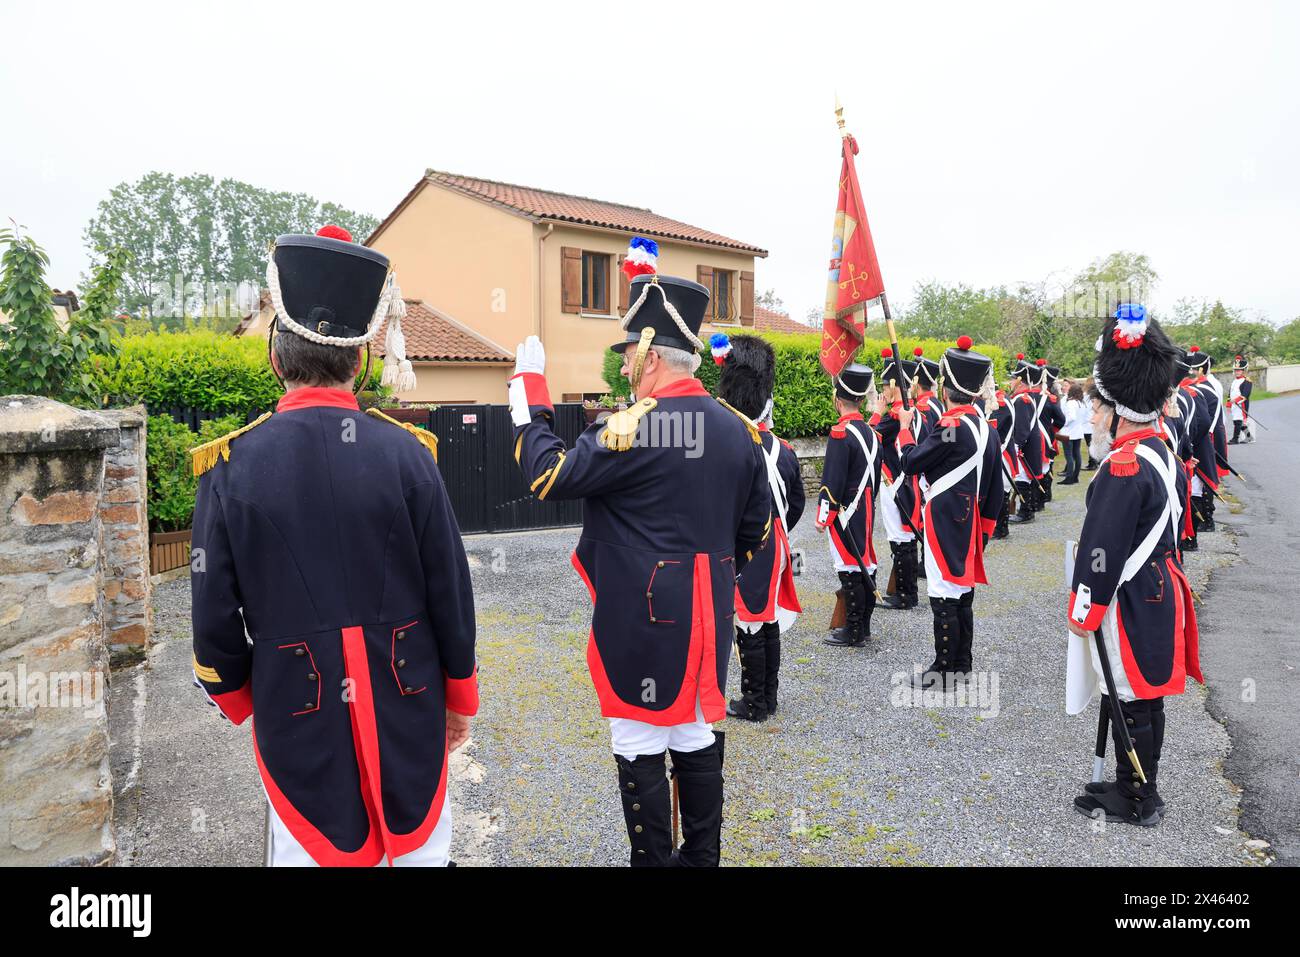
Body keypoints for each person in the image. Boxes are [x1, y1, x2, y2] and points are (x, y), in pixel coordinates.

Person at [189, 226, 478, 867]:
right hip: (410, 704)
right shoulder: (411, 457)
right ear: (359, 359)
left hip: (296, 711)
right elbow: (451, 596)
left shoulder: (228, 468)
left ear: (275, 356)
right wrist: (458, 696)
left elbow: (212, 620)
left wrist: (242, 698)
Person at [509, 239, 770, 867]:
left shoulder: (637, 426)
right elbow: (755, 529)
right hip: (709, 614)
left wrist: (530, 408)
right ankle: (701, 857)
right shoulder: (738, 429)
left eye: (630, 350)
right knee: (695, 731)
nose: (625, 361)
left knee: (637, 734)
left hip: (646, 617)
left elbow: (548, 477)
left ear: (651, 354)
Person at [1068, 305, 1201, 826]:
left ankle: (1137, 797)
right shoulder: (1159, 448)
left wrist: (1083, 606)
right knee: (1142, 692)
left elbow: (1101, 553)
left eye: (1100, 409)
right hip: (1157, 585)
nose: (1095, 418)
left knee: (1128, 691)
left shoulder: (1123, 465)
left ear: (1121, 409)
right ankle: (1138, 784)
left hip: (1129, 595)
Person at [897, 335, 1006, 689]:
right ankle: (962, 662)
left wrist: (903, 429)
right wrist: (985, 528)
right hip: (970, 519)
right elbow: (993, 488)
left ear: (947, 387)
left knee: (944, 589)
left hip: (945, 519)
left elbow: (912, 462)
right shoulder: (985, 428)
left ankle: (945, 668)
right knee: (962, 590)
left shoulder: (951, 426)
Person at [715, 334, 805, 718]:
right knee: (765, 619)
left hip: (751, 548)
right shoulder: (782, 449)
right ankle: (768, 696)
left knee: (751, 621)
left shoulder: (729, 447)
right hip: (778, 542)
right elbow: (797, 503)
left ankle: (754, 702)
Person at [817, 363, 882, 647]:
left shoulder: (840, 433)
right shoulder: (872, 433)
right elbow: (875, 478)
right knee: (865, 561)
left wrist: (823, 516)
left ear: (837, 398)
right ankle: (863, 626)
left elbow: (832, 481)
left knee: (849, 564)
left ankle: (853, 630)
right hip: (865, 506)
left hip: (845, 510)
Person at [873, 350, 923, 610]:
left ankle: (905, 595)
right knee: (905, 538)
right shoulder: (913, 411)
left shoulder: (894, 417)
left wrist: (875, 412)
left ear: (893, 387)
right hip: (907, 482)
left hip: (896, 482)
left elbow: (867, 440)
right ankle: (907, 591)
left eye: (884, 386)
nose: (882, 391)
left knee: (901, 539)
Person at [1178, 346, 1224, 533]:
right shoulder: (1199, 387)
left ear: (1201, 370)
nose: (1192, 373)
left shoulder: (1201, 389)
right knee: (1200, 479)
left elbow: (1206, 419)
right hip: (1206, 435)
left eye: (1195, 370)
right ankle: (1206, 516)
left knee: (1201, 478)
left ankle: (1207, 518)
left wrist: (1194, 441)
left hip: (1206, 436)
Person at [1007, 354, 1043, 523]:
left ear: (1020, 381)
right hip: (1028, 443)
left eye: (1012, 379)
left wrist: (1016, 445)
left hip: (1024, 445)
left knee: (1022, 476)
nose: (1010, 382)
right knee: (1024, 477)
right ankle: (1027, 510)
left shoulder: (1022, 399)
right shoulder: (1024, 397)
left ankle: (1026, 512)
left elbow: (1022, 427)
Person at [1059, 381, 1087, 484]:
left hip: (1068, 432)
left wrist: (1062, 423)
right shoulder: (1081, 403)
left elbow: (1071, 417)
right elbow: (1083, 418)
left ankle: (1069, 478)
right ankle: (1075, 477)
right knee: (1077, 455)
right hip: (1078, 431)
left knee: (1069, 456)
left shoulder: (1071, 402)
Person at [1229, 355, 1254, 444]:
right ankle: (1249, 437)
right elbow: (1230, 393)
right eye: (1236, 370)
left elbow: (1245, 395)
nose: (1237, 372)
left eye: (1239, 370)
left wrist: (1236, 400)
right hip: (1234, 405)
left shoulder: (1247, 381)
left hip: (1242, 404)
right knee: (1238, 421)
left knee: (1238, 421)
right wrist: (1229, 402)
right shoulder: (1234, 381)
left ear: (1243, 371)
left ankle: (1235, 439)